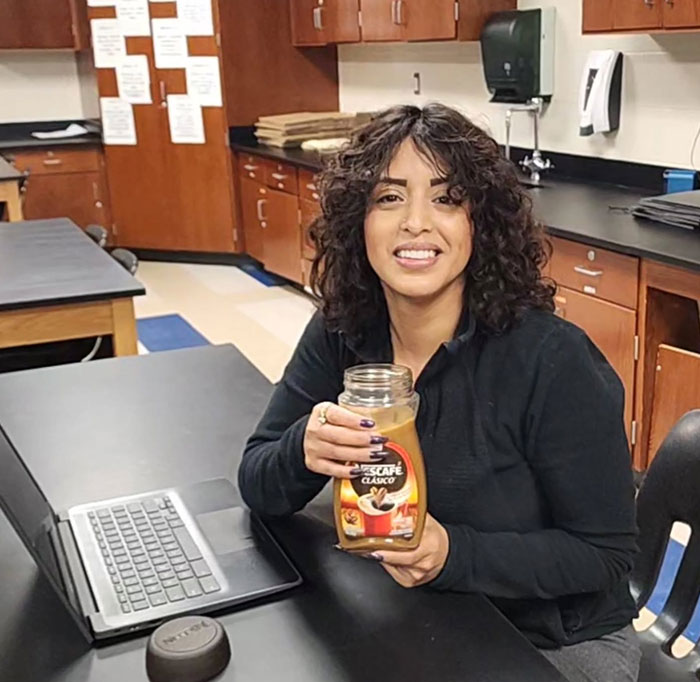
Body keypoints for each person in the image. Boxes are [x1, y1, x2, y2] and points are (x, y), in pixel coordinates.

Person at [238, 103, 641, 682]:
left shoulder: (552, 360)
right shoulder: (344, 330)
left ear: (482, 222)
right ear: (359, 221)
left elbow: (604, 556)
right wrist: (303, 448)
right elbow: (257, 479)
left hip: (554, 644)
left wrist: (451, 553)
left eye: (447, 199)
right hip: (424, 617)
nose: (416, 223)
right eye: (389, 197)